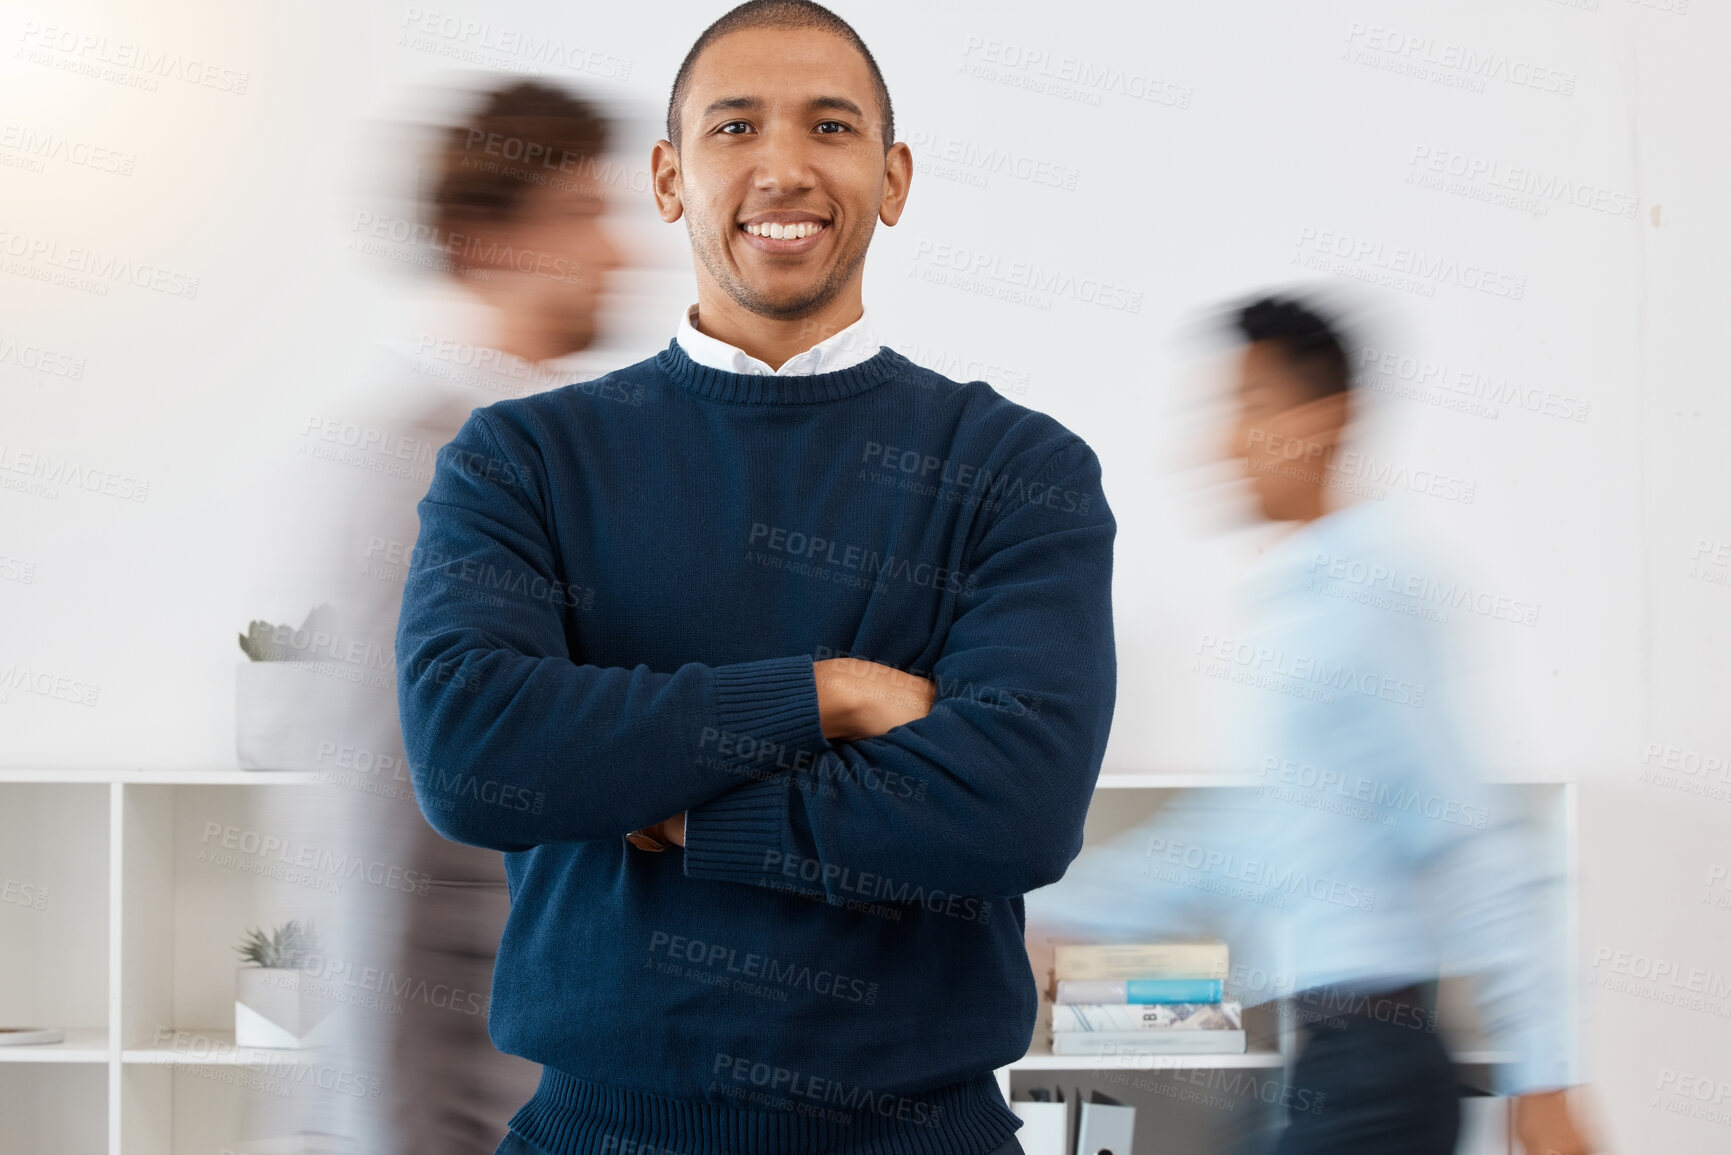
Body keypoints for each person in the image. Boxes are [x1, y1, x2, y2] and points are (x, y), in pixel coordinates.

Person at [392, 4, 1117, 1155]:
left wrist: (677, 814)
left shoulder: (1017, 469)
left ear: (893, 177)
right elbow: (475, 754)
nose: (784, 167)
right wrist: (822, 696)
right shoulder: (520, 457)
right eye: (736, 128)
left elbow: (1013, 809)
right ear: (672, 179)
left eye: (831, 127)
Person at [1025, 294, 1597, 1154]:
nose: (1222, 444)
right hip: (1327, 1060)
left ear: (1329, 419)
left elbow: (1471, 836)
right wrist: (1058, 910)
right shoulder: (1296, 608)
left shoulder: (1374, 595)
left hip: (1373, 1065)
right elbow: (1249, 841)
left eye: (1249, 408)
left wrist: (1546, 1074)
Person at [315, 77, 623, 1154]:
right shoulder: (430, 469)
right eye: (587, 218)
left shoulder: (545, 459)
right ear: (489, 243)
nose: (621, 252)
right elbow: (388, 849)